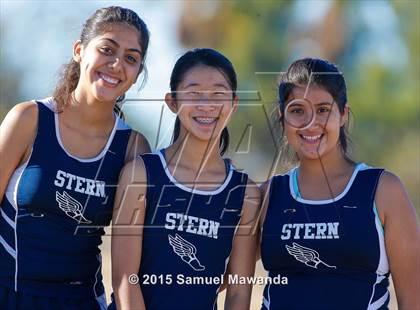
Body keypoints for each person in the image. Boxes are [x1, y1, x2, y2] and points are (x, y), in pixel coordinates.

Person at [0, 6, 151, 309]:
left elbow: (134, 257)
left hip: (80, 300)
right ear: (79, 51)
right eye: (107, 49)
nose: (117, 64)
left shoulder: (133, 148)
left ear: (136, 75)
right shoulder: (29, 119)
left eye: (131, 58)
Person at [259, 58, 420, 309]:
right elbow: (214, 277)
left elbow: (413, 300)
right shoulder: (267, 195)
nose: (310, 123)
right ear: (283, 118)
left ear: (343, 114)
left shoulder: (383, 190)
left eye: (323, 109)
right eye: (297, 110)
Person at [110, 48, 261, 310]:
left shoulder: (244, 192)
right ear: (172, 102)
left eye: (218, 94)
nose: (207, 105)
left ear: (234, 104)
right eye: (194, 93)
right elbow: (125, 279)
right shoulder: (142, 174)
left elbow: (238, 291)